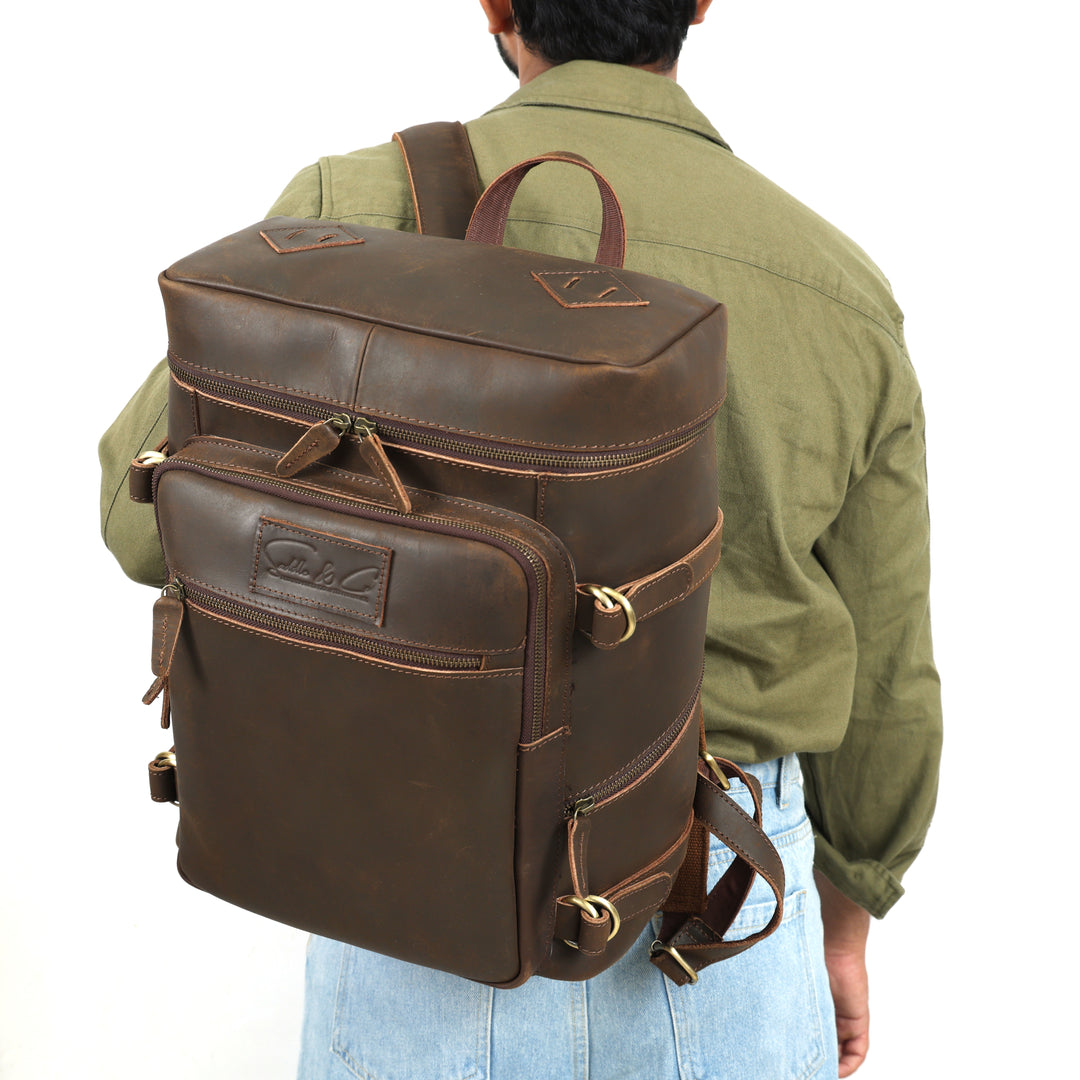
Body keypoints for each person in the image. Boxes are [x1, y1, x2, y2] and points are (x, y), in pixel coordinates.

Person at [99, 2, 942, 1077]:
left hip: (410, 864)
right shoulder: (835, 284)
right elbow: (891, 680)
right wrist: (849, 915)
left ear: (497, 6)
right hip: (713, 906)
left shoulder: (350, 211)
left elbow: (141, 521)